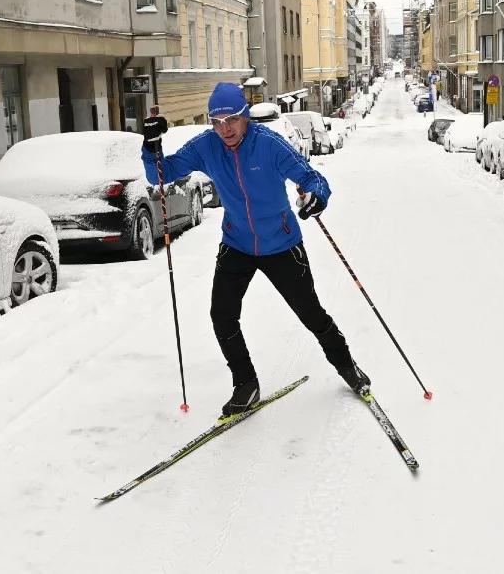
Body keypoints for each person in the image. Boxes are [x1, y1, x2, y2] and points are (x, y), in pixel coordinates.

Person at [140, 83, 370, 418]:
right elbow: (160, 174)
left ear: (245, 116)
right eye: (216, 122)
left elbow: (312, 179)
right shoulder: (206, 146)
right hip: (237, 243)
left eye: (231, 119)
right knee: (222, 315)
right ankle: (246, 384)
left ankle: (348, 367)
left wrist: (317, 196)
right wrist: (151, 145)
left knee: (312, 315)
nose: (225, 129)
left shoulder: (269, 146)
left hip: (281, 243)